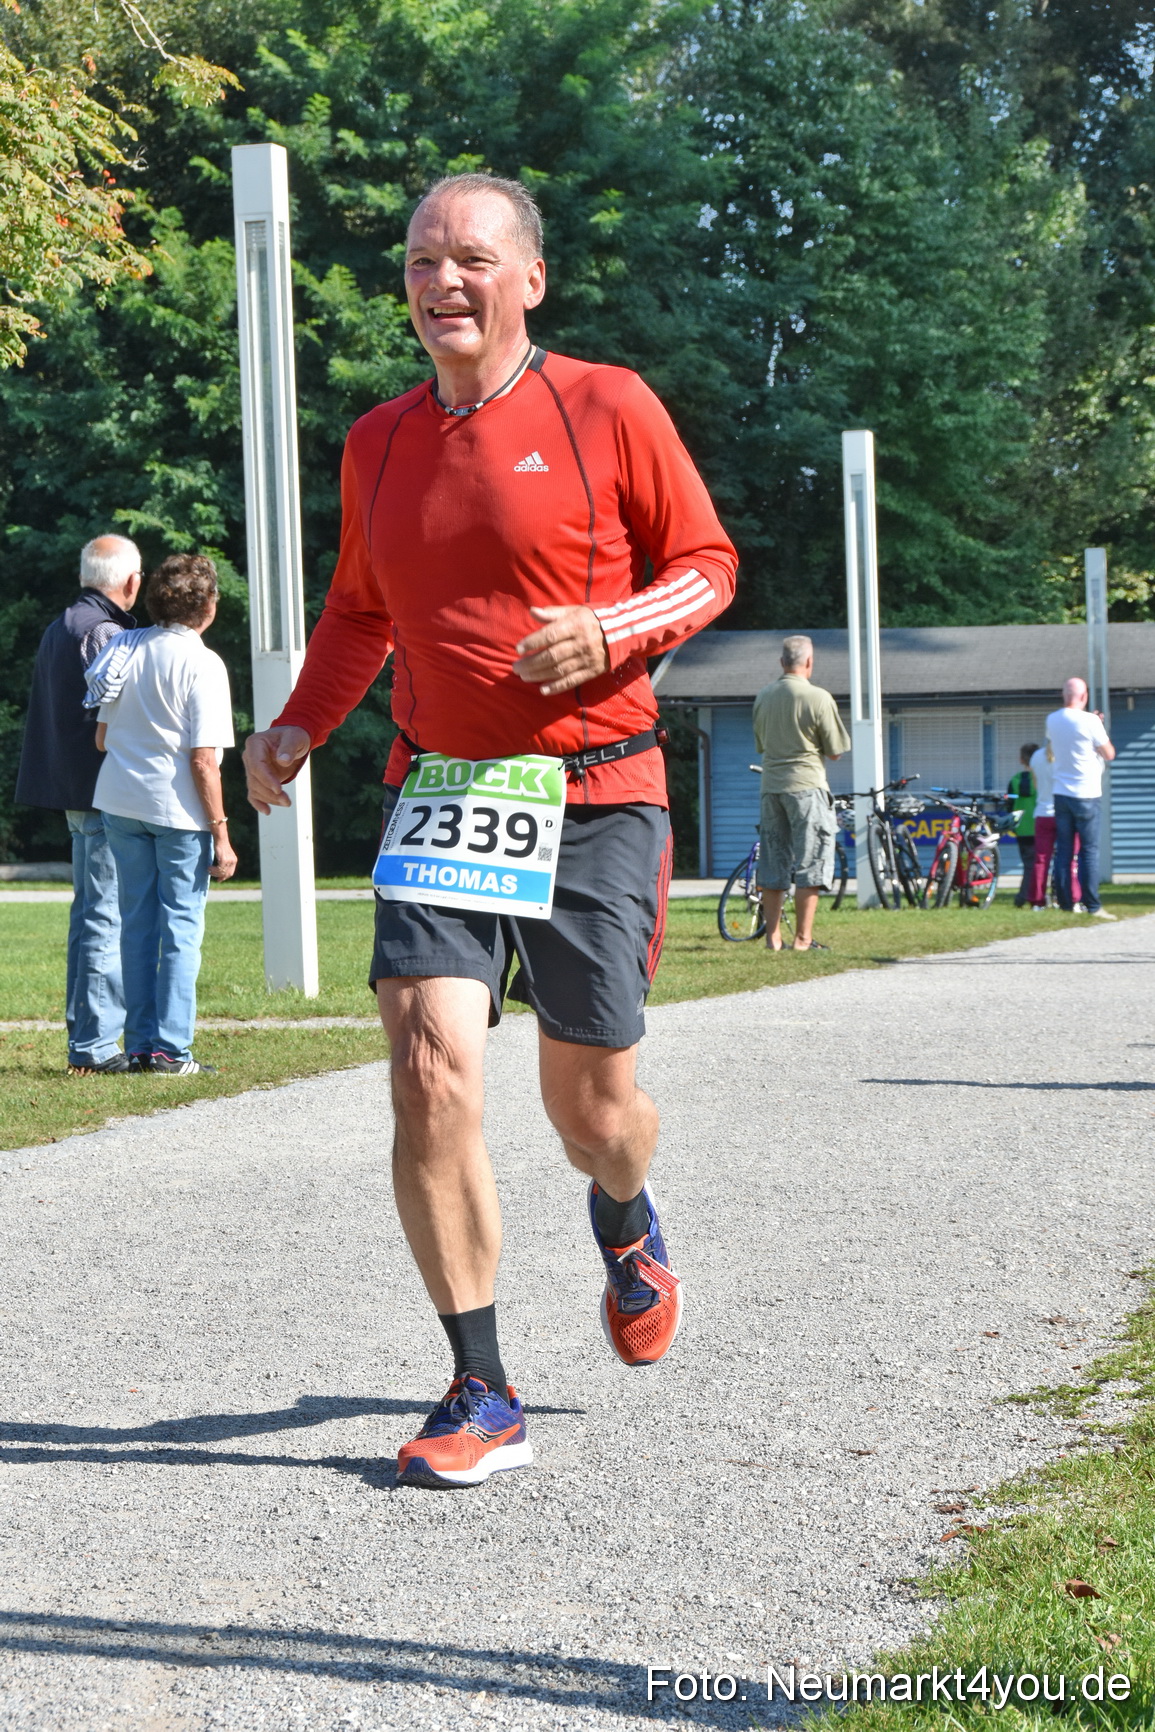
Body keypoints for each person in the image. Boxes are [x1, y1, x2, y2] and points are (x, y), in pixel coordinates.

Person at [242, 172, 737, 1489]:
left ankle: (624, 1217)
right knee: (425, 1068)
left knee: (594, 1110)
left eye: (467, 257)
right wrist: (295, 725)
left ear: (528, 280)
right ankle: (479, 1384)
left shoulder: (605, 406)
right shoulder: (378, 441)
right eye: (417, 260)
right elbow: (359, 611)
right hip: (444, 789)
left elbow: (705, 564)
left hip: (594, 793)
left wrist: (612, 629)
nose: (438, 280)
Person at [88, 553, 238, 1073]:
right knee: (180, 931)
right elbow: (203, 759)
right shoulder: (204, 663)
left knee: (137, 926)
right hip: (178, 812)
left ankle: (138, 1046)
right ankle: (171, 1051)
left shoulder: (127, 647)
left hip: (119, 802)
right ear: (208, 607)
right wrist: (221, 832)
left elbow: (102, 737)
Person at [15, 535, 142, 1074]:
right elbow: (116, 717)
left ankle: (90, 1039)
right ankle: (93, 1044)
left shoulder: (62, 623)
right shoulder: (105, 631)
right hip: (102, 792)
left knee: (92, 912)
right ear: (131, 581)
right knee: (102, 916)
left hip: (76, 790)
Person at [752, 635, 850, 951]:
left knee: (772, 861)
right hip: (807, 786)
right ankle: (803, 939)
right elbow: (836, 751)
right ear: (808, 662)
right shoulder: (818, 697)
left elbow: (761, 745)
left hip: (771, 788)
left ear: (782, 662)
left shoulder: (763, 697)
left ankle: (773, 938)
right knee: (812, 860)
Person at [1045, 677, 1116, 919]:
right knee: (1088, 851)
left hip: (1061, 793)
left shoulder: (1052, 719)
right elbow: (1109, 753)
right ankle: (1092, 905)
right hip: (1086, 793)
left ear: (1064, 694)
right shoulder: (1091, 721)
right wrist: (1097, 725)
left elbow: (1061, 745)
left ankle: (1065, 904)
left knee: (1064, 851)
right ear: (1084, 696)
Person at [1027, 740, 1081, 910]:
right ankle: (1073, 899)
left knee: (1041, 860)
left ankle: (1037, 902)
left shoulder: (1036, 756)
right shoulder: (1068, 756)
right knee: (1070, 858)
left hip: (1043, 813)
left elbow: (1035, 784)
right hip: (1065, 813)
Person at [1008, 745, 1038, 908]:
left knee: (1028, 863)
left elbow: (1010, 805)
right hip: (1038, 826)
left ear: (1021, 760)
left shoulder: (1014, 780)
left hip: (1021, 828)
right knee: (1036, 865)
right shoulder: (1040, 778)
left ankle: (1025, 896)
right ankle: (1025, 896)